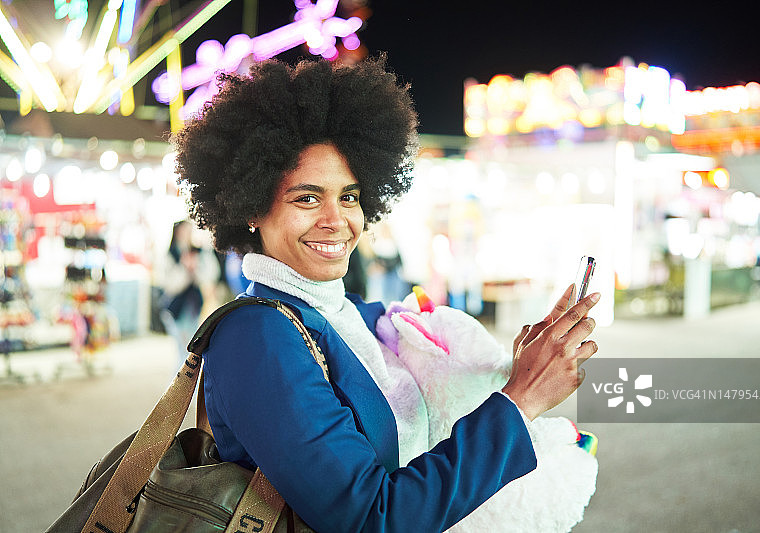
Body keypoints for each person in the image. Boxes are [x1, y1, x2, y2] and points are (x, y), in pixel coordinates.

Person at [173, 56, 599, 533]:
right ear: (251, 207)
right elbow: (371, 518)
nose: (337, 220)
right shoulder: (258, 336)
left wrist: (516, 367)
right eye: (307, 198)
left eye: (350, 197)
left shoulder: (355, 316)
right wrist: (521, 401)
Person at [158, 220, 219, 367]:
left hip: (193, 305)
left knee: (189, 347)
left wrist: (195, 268)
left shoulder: (198, 251)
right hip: (176, 307)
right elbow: (169, 285)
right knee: (183, 349)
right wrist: (185, 269)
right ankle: (180, 384)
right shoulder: (170, 254)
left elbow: (211, 274)